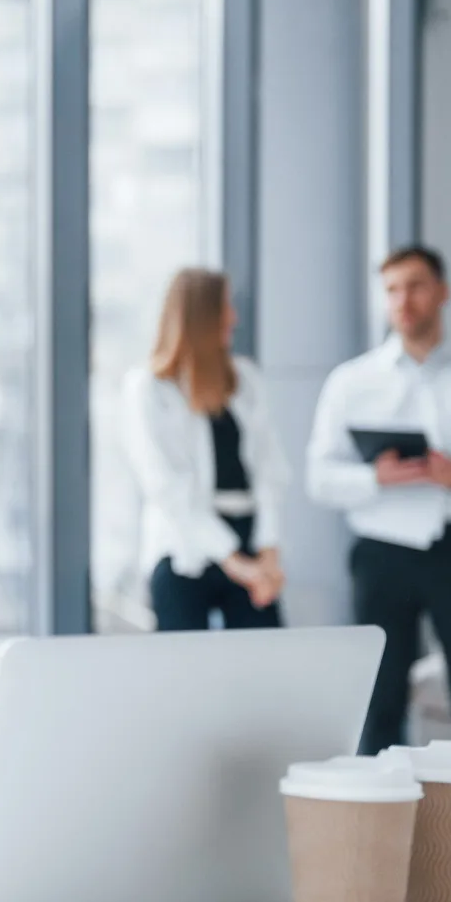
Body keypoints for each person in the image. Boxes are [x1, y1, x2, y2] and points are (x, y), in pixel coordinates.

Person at [305, 244, 451, 877]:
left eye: (417, 287)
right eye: (394, 289)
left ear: (443, 292)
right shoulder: (351, 381)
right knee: (377, 707)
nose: (405, 301)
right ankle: (370, 869)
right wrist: (376, 477)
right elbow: (321, 478)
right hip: (379, 557)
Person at [123, 268, 291, 632]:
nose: (234, 317)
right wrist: (235, 563)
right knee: (186, 676)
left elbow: (270, 468)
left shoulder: (245, 378)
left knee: (268, 668)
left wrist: (268, 555)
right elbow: (167, 487)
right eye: (225, 306)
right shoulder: (149, 388)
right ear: (201, 315)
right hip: (183, 547)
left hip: (249, 539)